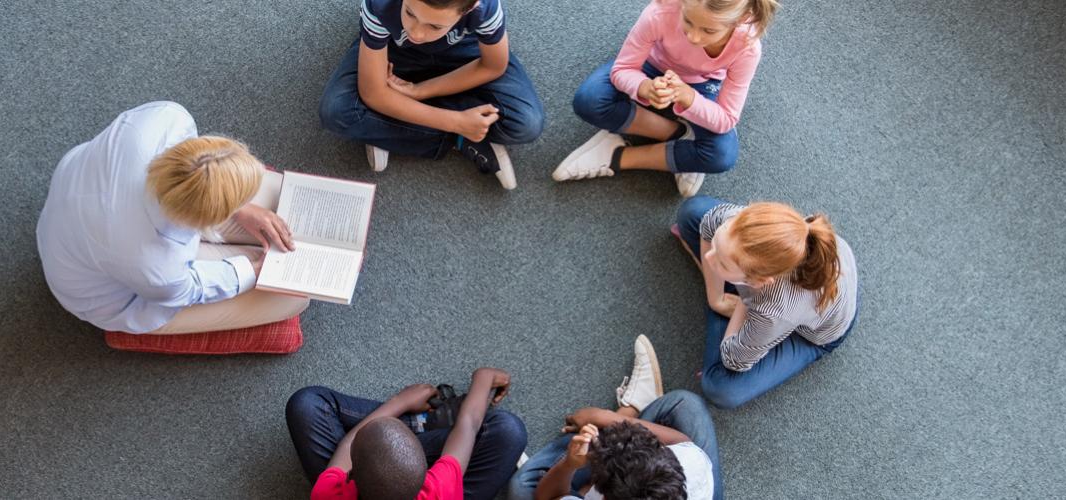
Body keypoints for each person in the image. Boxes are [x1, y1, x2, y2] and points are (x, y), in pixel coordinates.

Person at [36, 101, 310, 334]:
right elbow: (191, 288)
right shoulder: (156, 269)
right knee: (291, 300)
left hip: (84, 206)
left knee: (280, 203)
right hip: (118, 291)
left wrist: (242, 207)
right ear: (206, 219)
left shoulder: (166, 120)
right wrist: (253, 271)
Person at [551, 0, 780, 197]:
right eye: (688, 21)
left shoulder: (747, 47)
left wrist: (690, 98)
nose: (693, 36)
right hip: (653, 64)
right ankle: (681, 136)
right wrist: (644, 87)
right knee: (589, 100)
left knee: (722, 156)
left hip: (703, 83)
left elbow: (727, 118)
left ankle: (617, 156)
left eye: (709, 31)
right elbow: (623, 69)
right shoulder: (661, 11)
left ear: (740, 19)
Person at [318, 0, 546, 190]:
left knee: (526, 122)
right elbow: (373, 92)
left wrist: (418, 91)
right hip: (395, 52)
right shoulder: (380, 5)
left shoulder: (484, 7)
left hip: (464, 52)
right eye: (409, 12)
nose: (416, 32)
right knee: (337, 111)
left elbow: (493, 66)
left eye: (434, 26)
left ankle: (389, 127)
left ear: (469, 9)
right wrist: (456, 123)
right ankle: (460, 137)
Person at [672, 195, 858, 409]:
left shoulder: (773, 310)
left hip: (820, 331)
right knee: (691, 212)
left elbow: (734, 359)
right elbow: (708, 226)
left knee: (720, 388)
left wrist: (746, 303)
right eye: (716, 246)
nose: (709, 258)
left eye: (721, 262)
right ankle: (731, 289)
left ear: (760, 281)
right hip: (793, 287)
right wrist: (716, 300)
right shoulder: (732, 220)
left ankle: (737, 297)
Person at [508, 336, 720, 500]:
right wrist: (605, 417)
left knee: (522, 488)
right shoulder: (690, 465)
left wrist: (570, 464)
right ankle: (629, 412)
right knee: (685, 404)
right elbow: (680, 441)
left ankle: (630, 411)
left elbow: (547, 496)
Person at [286, 367, 529, 499]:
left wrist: (399, 402)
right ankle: (422, 424)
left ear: (350, 476)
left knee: (306, 404)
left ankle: (412, 422)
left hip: (364, 470)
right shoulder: (438, 491)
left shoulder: (329, 494)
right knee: (509, 432)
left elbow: (349, 445)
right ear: (427, 473)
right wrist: (483, 378)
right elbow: (469, 424)